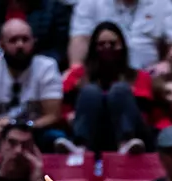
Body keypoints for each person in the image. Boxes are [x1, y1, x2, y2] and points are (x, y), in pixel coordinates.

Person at [0, 17, 65, 152]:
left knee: (56, 137)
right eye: (13, 40)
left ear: (34, 42)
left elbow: (53, 115)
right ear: (1, 44)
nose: (20, 45)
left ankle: (48, 173)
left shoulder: (47, 66)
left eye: (25, 39)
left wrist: (28, 126)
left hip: (33, 131)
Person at [64, 21, 152, 154]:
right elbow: (64, 108)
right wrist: (68, 117)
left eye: (112, 44)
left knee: (119, 89)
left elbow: (147, 113)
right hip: (92, 131)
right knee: (90, 91)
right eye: (101, 44)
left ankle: (125, 144)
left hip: (133, 133)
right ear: (94, 48)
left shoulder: (139, 76)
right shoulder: (78, 75)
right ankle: (81, 147)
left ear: (122, 46)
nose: (107, 48)